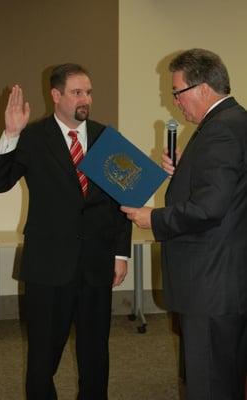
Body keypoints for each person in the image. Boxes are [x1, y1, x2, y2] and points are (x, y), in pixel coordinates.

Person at [0, 63, 132, 400]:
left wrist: (121, 253)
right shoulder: (32, 138)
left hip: (97, 263)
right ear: (56, 95)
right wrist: (9, 134)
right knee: (42, 357)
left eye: (89, 92)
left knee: (96, 355)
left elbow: (122, 200)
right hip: (48, 266)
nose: (86, 99)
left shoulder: (105, 138)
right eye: (77, 92)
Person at [121, 48, 247, 400]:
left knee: (209, 385)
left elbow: (209, 209)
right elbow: (231, 192)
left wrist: (153, 218)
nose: (174, 101)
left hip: (211, 284)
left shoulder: (219, 131)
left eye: (177, 92)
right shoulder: (237, 121)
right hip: (229, 282)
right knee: (227, 378)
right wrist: (184, 173)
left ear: (203, 88)